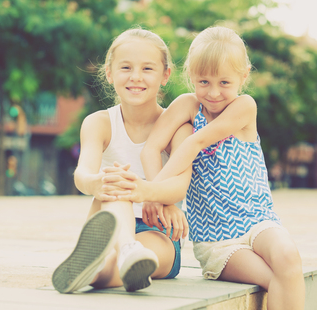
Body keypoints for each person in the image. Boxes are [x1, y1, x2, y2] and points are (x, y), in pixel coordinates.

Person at [140, 26, 305, 309]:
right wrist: (162, 198)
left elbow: (194, 144)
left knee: (288, 258)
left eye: (224, 83)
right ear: (191, 74)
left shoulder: (244, 106)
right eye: (203, 82)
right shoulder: (187, 105)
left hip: (258, 221)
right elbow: (151, 148)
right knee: (273, 278)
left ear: (244, 76)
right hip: (219, 241)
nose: (213, 93)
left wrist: (154, 193)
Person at [51, 27, 192, 294]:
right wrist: (98, 183)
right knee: (114, 183)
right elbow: (83, 175)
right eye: (126, 67)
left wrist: (142, 189)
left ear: (165, 75)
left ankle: (96, 270)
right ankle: (125, 247)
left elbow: (180, 185)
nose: (136, 77)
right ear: (109, 72)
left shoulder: (178, 128)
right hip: (109, 221)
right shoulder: (98, 123)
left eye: (147, 69)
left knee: (111, 270)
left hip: (158, 229)